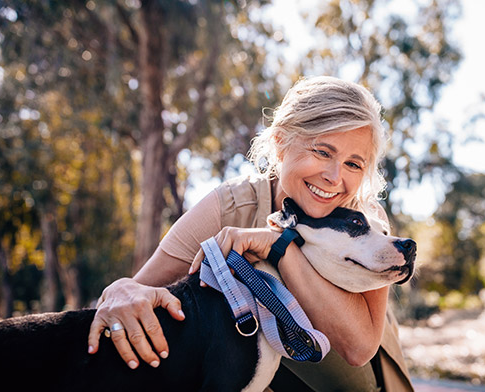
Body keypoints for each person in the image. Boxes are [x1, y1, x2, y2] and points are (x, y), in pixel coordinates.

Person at [87, 76, 414, 391]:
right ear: (281, 141)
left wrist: (279, 247)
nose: (333, 176)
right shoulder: (229, 206)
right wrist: (119, 291)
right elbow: (140, 290)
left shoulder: (368, 222)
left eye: (353, 165)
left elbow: (358, 349)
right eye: (323, 152)